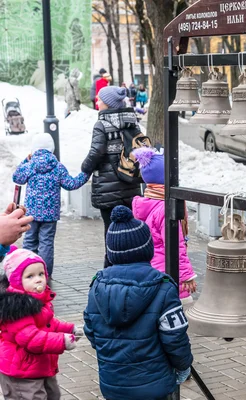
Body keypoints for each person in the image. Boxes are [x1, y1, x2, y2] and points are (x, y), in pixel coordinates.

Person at [84, 206, 193, 400]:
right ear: (147, 249)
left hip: (113, 384)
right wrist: (183, 365)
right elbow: (175, 337)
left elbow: (91, 331)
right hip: (155, 385)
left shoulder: (97, 287)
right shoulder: (164, 288)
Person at [0, 248, 80, 400]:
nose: (38, 279)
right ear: (17, 280)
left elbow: (48, 324)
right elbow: (31, 338)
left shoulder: (39, 301)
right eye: (30, 276)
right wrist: (61, 341)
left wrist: (69, 329)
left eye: (41, 274)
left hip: (38, 366)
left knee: (53, 394)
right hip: (21, 371)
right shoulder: (17, 308)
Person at [81, 86, 142, 268]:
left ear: (107, 103)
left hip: (108, 188)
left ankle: (111, 267)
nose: (97, 102)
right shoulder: (133, 122)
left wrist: (85, 167)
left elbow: (96, 151)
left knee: (111, 229)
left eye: (100, 99)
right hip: (130, 185)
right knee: (129, 227)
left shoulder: (102, 124)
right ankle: (130, 264)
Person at [13, 133, 89, 277]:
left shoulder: (30, 165)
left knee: (29, 242)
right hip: (50, 214)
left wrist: (25, 160)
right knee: (46, 244)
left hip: (31, 213)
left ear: (34, 149)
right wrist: (86, 173)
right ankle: (44, 274)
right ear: (51, 149)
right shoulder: (58, 167)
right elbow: (71, 184)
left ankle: (28, 273)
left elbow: (17, 178)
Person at [131, 147, 197, 306]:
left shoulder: (147, 204)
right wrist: (186, 277)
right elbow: (176, 246)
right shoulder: (165, 209)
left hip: (151, 273)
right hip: (169, 274)